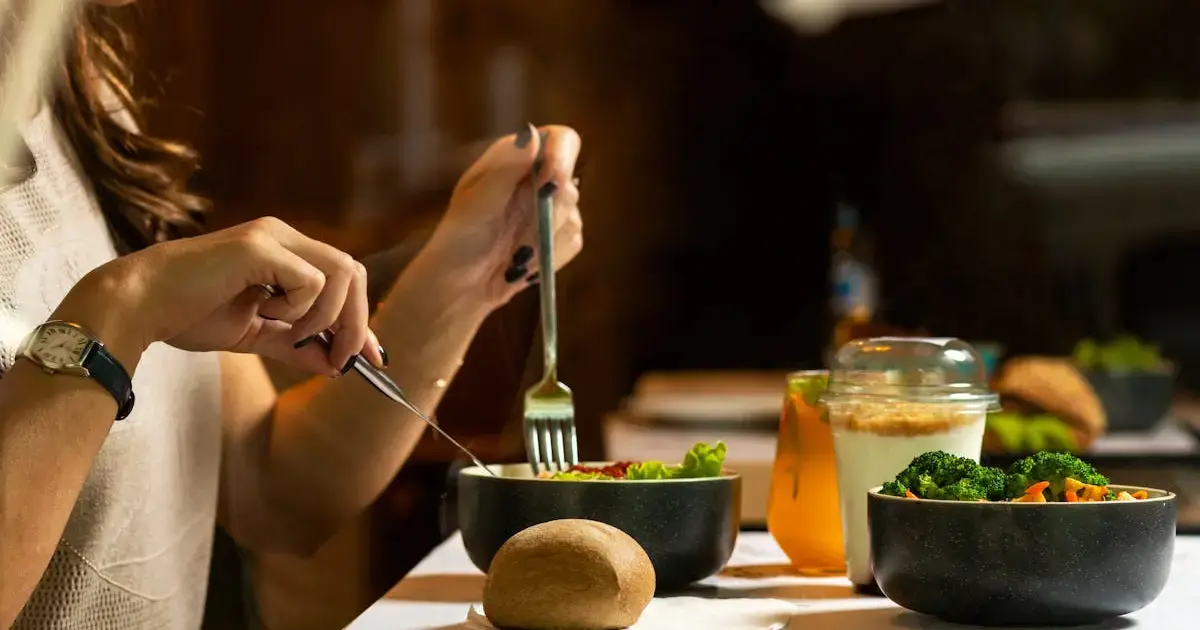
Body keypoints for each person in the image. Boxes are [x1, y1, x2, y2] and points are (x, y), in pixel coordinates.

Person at [0, 2, 583, 628]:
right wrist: (117, 311)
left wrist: (471, 267)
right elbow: (121, 310)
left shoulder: (72, 95)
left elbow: (271, 482)